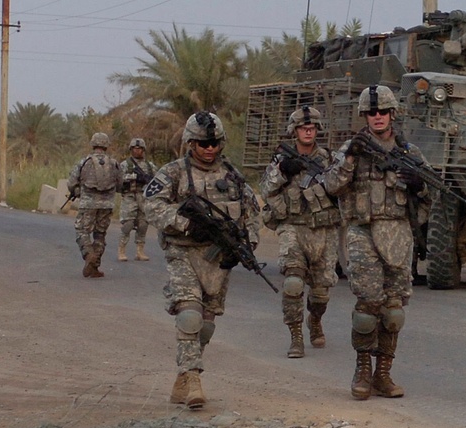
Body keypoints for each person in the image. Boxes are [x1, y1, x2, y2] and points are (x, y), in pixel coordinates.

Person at [144, 111, 260, 410]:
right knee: (189, 315)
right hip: (181, 251)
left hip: (217, 256)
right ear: (190, 143)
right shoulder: (172, 173)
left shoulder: (233, 176)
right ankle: (193, 378)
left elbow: (252, 213)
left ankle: (183, 375)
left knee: (206, 325)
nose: (209, 149)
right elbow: (152, 206)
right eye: (202, 143)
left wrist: (246, 244)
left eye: (214, 143)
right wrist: (185, 224)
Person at [324, 85, 431, 400]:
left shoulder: (410, 153)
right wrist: (351, 158)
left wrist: (418, 186)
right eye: (372, 112)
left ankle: (383, 373)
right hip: (362, 232)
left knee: (394, 311)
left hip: (398, 234)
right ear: (364, 116)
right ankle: (362, 370)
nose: (378, 117)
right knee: (368, 307)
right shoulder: (351, 149)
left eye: (383, 111)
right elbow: (331, 185)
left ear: (393, 113)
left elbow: (427, 202)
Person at [260, 106, 340, 358]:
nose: (308, 131)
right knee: (293, 284)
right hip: (292, 227)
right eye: (303, 128)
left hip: (323, 230)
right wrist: (283, 171)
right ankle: (295, 336)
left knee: (320, 293)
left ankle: (314, 320)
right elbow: (265, 189)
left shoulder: (328, 158)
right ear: (294, 131)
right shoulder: (282, 158)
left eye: (312, 127)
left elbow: (341, 187)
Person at [67, 132, 122, 278]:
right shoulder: (114, 163)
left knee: (82, 230)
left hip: (88, 203)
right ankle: (95, 267)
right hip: (107, 205)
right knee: (100, 234)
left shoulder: (84, 161)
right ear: (106, 145)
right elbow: (121, 185)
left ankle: (88, 254)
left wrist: (77, 191)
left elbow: (72, 182)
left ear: (93, 144)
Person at [117, 137, 157, 263]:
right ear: (131, 149)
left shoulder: (150, 166)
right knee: (128, 224)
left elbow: (157, 181)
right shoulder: (124, 165)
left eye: (139, 148)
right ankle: (121, 250)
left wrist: (147, 180)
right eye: (134, 148)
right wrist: (132, 178)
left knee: (143, 224)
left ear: (143, 150)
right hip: (129, 196)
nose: (137, 150)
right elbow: (118, 182)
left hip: (144, 197)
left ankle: (140, 251)